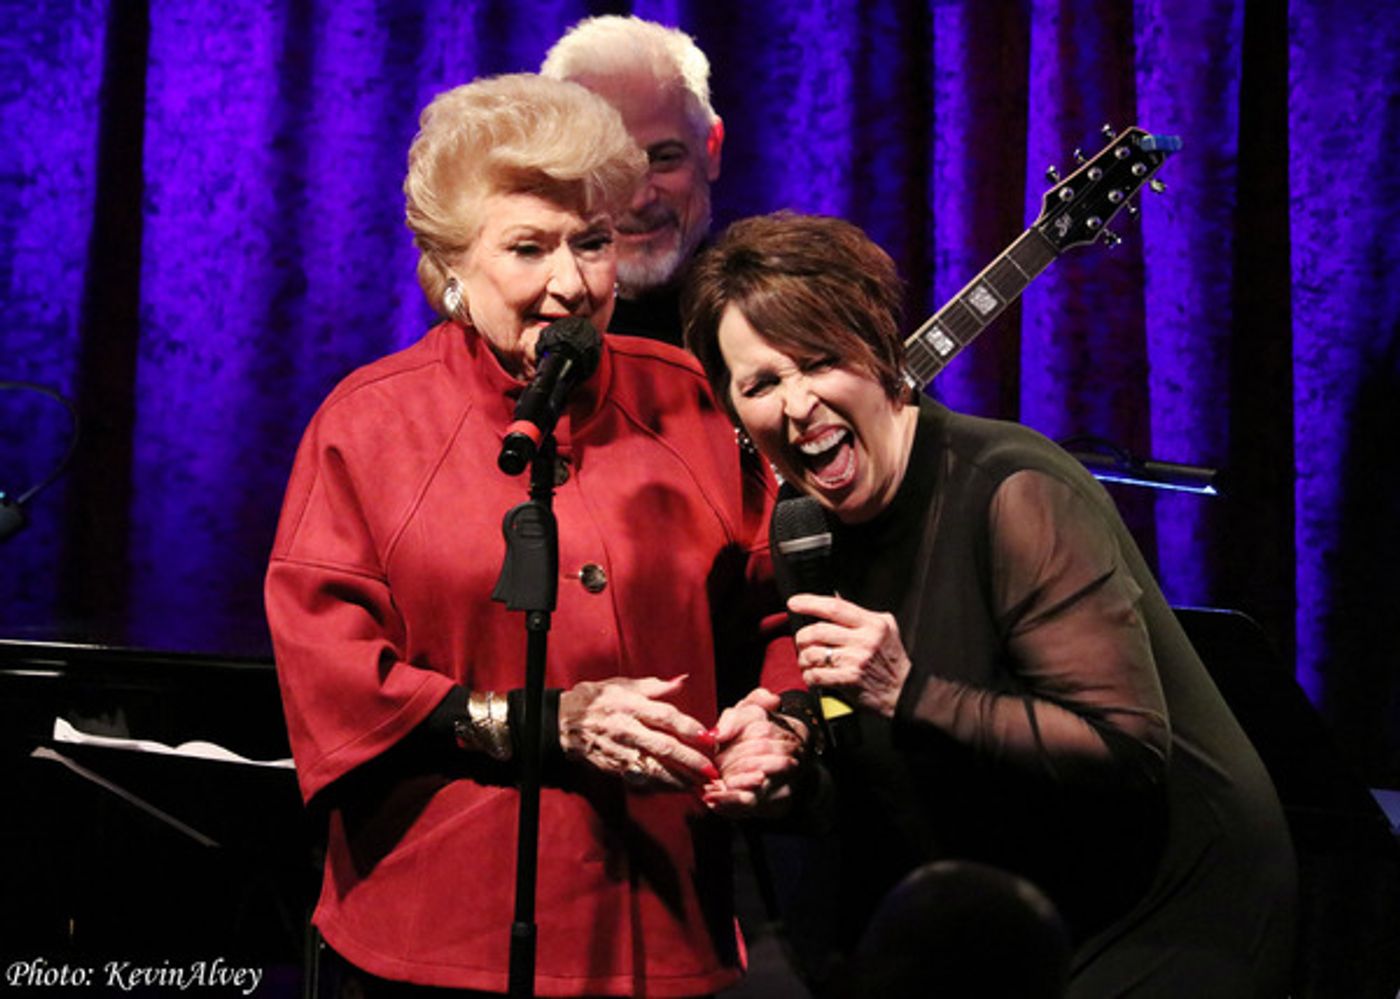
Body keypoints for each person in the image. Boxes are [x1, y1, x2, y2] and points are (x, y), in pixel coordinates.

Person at [266, 75, 807, 996]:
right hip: (437, 936)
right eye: (528, 248)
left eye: (592, 244)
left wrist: (784, 725)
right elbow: (335, 678)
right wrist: (540, 724)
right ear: (450, 269)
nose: (571, 284)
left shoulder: (689, 398)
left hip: (666, 931)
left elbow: (787, 609)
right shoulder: (368, 423)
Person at [682, 212, 1298, 997]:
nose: (797, 403)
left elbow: (1128, 746)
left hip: (1172, 900)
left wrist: (912, 689)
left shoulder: (1014, 491)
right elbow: (866, 751)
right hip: (1019, 899)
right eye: (761, 383)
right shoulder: (803, 531)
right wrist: (788, 760)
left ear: (881, 356)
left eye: (821, 361)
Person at [541, 15, 723, 346]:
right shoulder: (506, 337)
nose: (639, 200)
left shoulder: (781, 319)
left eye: (664, 158)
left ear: (711, 149)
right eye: (608, 168)